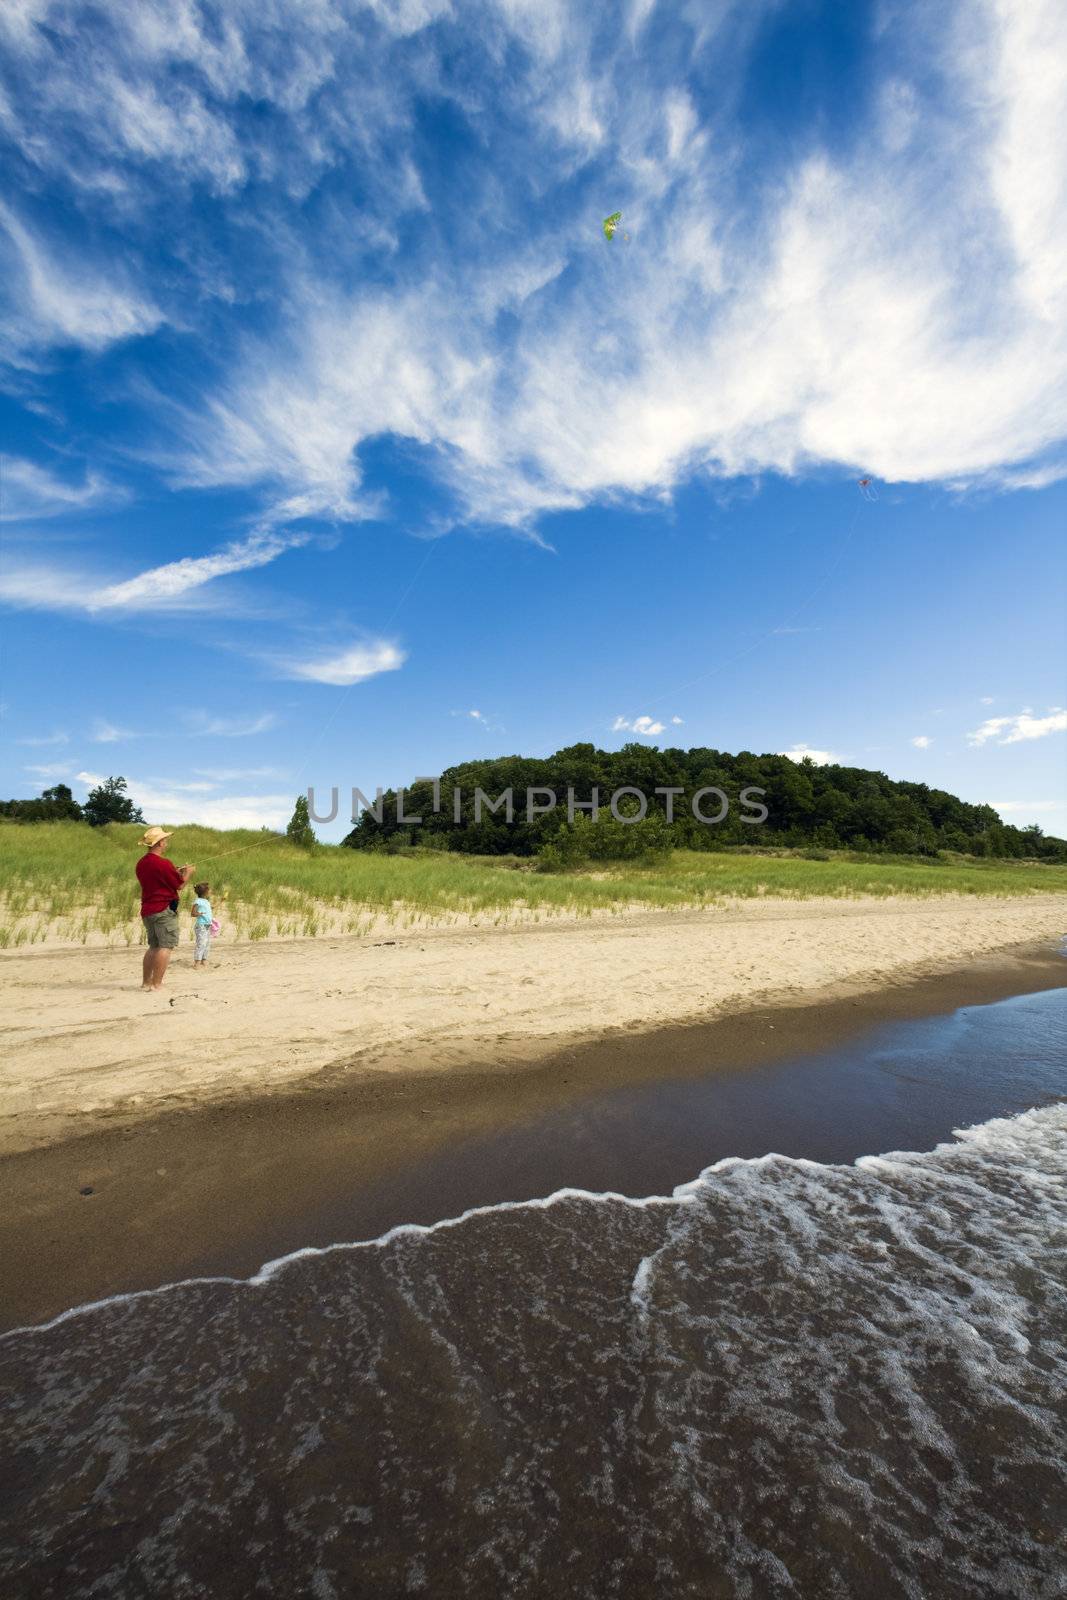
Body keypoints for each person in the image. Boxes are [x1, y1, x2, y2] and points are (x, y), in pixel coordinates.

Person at [135, 826, 194, 991]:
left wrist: (175, 871)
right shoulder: (163, 863)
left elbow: (159, 877)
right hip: (163, 909)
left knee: (153, 947)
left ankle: (146, 982)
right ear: (160, 843)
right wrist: (188, 872)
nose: (166, 842)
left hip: (148, 909)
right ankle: (156, 984)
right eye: (165, 840)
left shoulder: (141, 863)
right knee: (165, 946)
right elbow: (180, 885)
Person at [191, 880, 213, 967]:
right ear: (205, 892)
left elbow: (210, 908)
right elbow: (192, 913)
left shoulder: (206, 901)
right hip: (201, 926)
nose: (210, 891)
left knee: (207, 943)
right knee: (201, 943)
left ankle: (204, 959)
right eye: (209, 890)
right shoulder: (198, 901)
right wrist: (199, 914)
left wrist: (221, 901)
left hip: (208, 925)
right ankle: (197, 962)